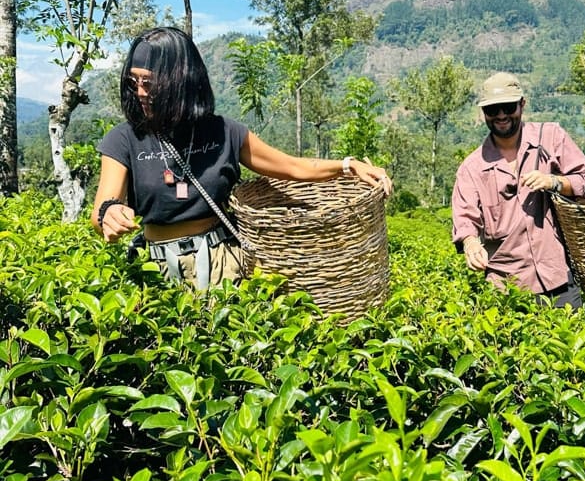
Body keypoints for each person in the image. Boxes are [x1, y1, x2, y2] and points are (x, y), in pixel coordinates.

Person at [91, 26, 392, 289]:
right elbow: (104, 204)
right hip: (154, 266)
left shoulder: (225, 132)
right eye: (134, 82)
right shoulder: (125, 139)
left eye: (150, 83)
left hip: (222, 264)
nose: (141, 93)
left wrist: (348, 165)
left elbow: (291, 166)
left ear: (179, 82)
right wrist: (109, 214)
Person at [452, 72, 585, 308]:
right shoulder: (472, 168)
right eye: (492, 110)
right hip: (506, 288)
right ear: (484, 113)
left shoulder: (551, 138)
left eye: (508, 107)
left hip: (558, 278)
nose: (501, 116)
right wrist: (470, 243)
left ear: (522, 104)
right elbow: (465, 217)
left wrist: (554, 181)